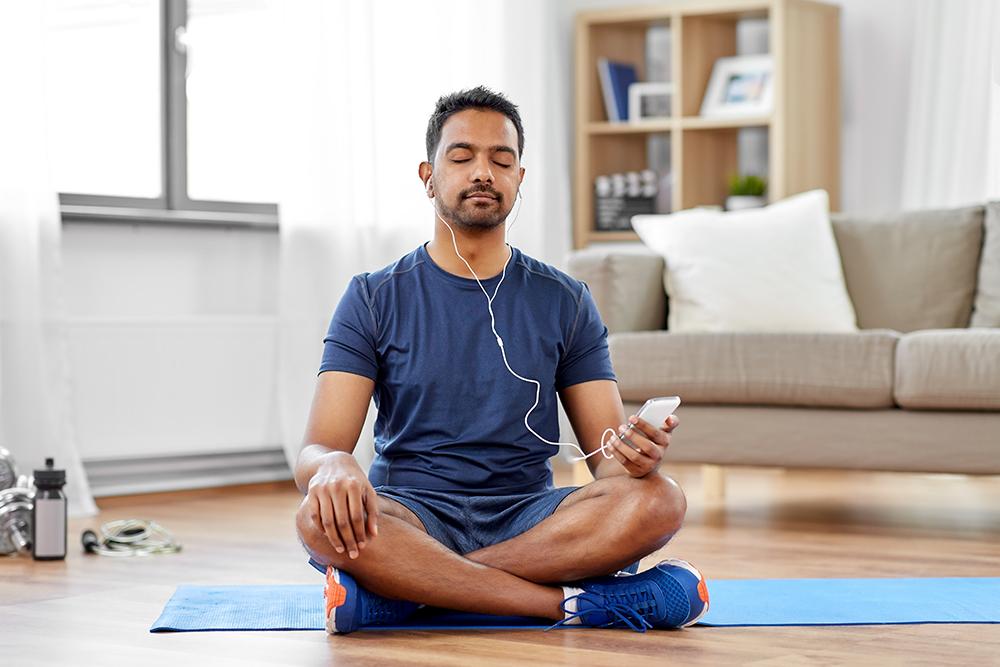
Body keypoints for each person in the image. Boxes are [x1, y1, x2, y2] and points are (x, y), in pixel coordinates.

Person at [293, 86, 708, 634]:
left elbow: (606, 462)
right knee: (316, 519)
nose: (482, 172)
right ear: (428, 177)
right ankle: (572, 604)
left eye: (501, 160)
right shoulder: (372, 296)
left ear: (519, 179)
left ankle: (409, 594)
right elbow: (317, 447)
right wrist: (332, 464)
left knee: (660, 501)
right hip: (411, 514)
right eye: (461, 158)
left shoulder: (564, 299)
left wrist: (634, 454)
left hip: (529, 520)